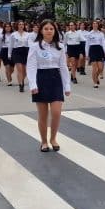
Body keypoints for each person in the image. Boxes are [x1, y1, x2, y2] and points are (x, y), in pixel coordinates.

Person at [27, 19, 72, 152]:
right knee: (43, 115)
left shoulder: (60, 46)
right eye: (46, 28)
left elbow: (63, 67)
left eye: (51, 29)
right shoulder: (35, 46)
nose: (49, 31)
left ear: (55, 31)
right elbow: (31, 66)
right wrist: (32, 84)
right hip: (41, 78)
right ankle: (44, 141)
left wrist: (67, 85)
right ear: (41, 30)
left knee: (56, 113)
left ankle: (53, 138)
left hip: (55, 79)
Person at [83, 19, 105, 88]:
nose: (95, 25)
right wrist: (87, 54)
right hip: (92, 50)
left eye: (96, 24)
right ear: (92, 25)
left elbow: (104, 43)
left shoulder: (101, 34)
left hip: (99, 50)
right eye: (93, 24)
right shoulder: (89, 34)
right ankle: (95, 82)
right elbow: (87, 44)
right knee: (95, 68)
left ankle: (96, 77)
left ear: (98, 25)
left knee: (100, 68)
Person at [9, 21, 32, 92]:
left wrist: (31, 53)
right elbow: (11, 45)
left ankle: (21, 80)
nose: (21, 25)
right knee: (19, 69)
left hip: (25, 51)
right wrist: (9, 54)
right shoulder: (13, 34)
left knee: (24, 70)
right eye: (19, 24)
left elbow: (30, 44)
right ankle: (21, 85)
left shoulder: (28, 34)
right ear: (17, 25)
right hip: (16, 51)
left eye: (22, 24)